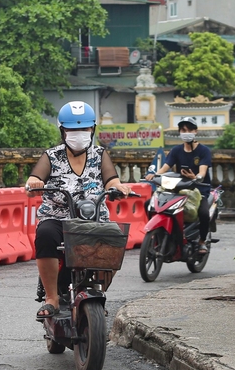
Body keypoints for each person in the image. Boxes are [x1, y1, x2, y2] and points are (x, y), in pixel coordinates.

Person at [25, 101, 132, 319]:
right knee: (45, 235)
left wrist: (118, 188)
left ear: (92, 129)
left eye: (84, 129)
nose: (79, 134)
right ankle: (52, 298)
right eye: (73, 129)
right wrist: (34, 184)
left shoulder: (100, 155)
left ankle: (96, 291)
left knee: (114, 238)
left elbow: (111, 181)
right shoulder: (51, 156)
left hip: (93, 217)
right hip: (58, 217)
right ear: (63, 130)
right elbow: (34, 179)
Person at [144, 116, 212, 254]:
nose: (185, 132)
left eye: (188, 130)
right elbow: (165, 167)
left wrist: (196, 177)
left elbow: (202, 172)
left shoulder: (204, 151)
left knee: (204, 213)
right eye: (182, 130)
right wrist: (154, 175)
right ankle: (159, 234)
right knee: (148, 204)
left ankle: (202, 241)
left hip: (199, 190)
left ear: (195, 131)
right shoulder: (176, 150)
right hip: (179, 189)